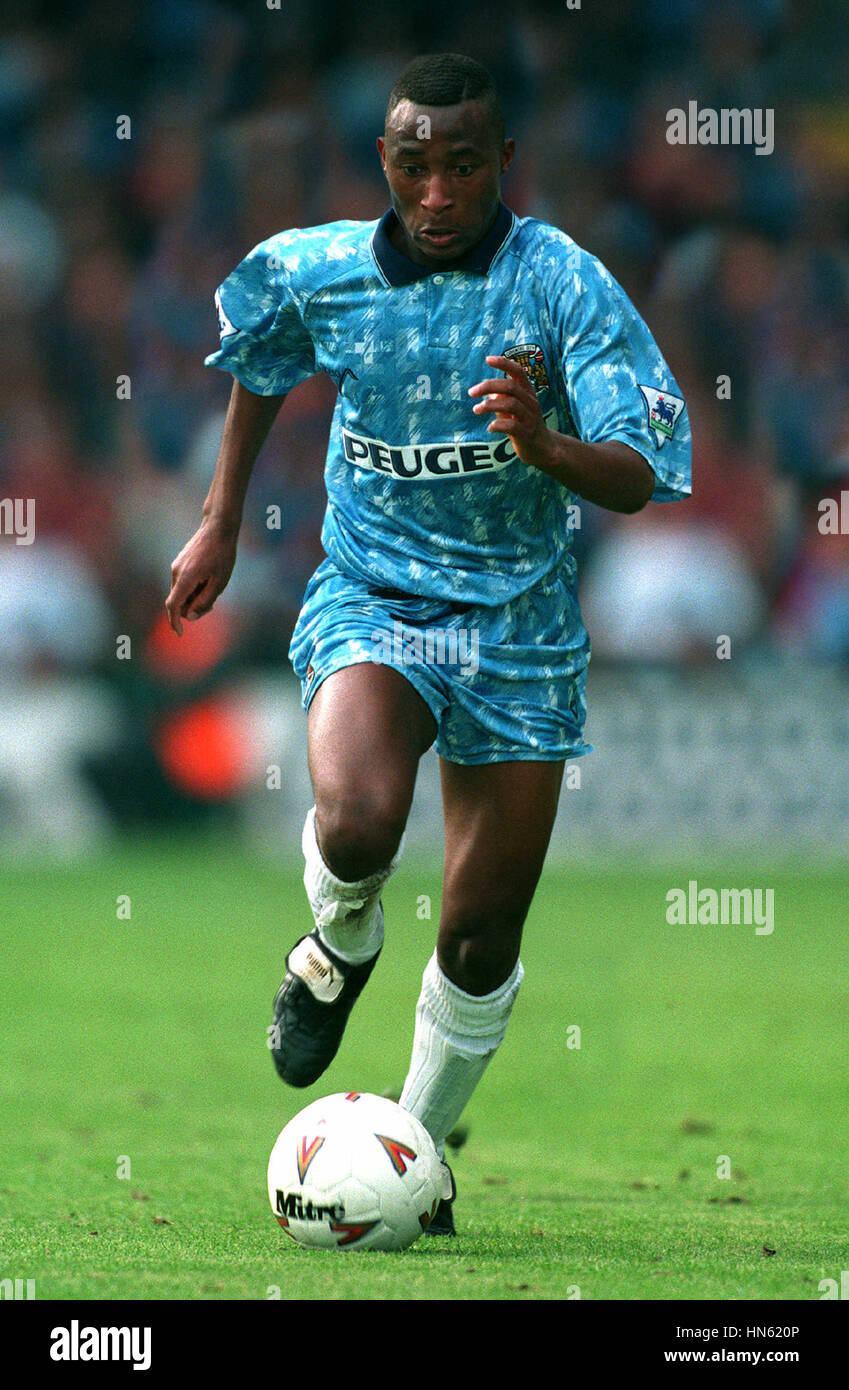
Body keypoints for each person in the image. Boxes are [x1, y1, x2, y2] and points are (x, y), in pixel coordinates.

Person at [165, 52, 691, 1238]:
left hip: (519, 627)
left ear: (502, 163)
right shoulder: (326, 268)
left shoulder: (564, 285)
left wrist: (548, 447)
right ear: (388, 164)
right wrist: (218, 521)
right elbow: (261, 359)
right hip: (374, 593)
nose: (440, 192)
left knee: (477, 929)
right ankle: (338, 943)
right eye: (416, 165)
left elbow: (644, 466)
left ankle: (413, 1149)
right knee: (355, 822)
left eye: (464, 166)